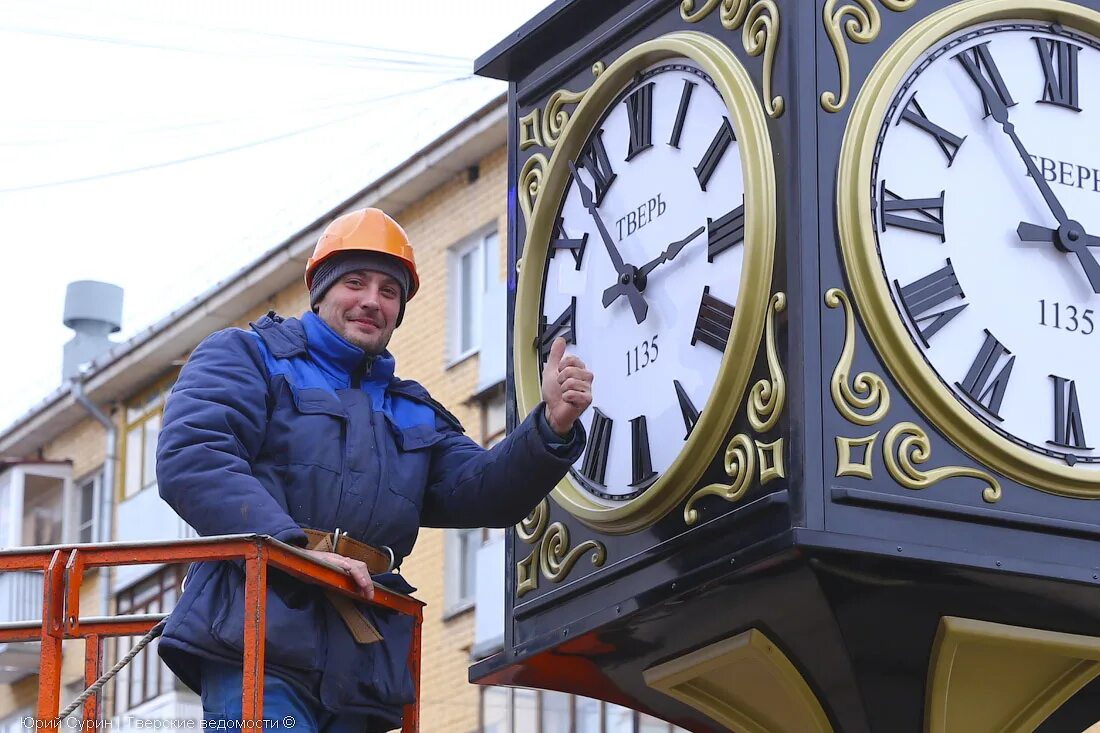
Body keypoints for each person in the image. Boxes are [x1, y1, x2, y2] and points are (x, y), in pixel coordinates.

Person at [155, 207, 593, 733]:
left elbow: (487, 492)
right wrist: (298, 551)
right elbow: (194, 456)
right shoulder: (248, 356)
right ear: (319, 292)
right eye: (355, 282)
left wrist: (550, 425)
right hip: (257, 631)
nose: (372, 301)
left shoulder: (413, 409)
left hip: (360, 664)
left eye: (390, 291)